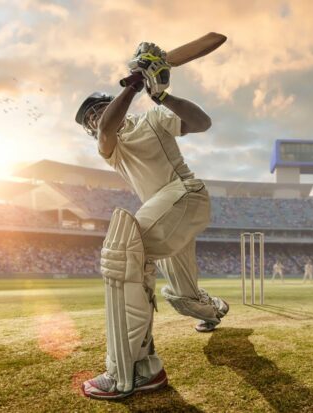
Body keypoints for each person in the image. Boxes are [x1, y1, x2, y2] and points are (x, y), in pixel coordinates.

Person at [77, 42, 228, 400]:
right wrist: (133, 84)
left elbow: (202, 122)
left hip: (185, 195)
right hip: (167, 214)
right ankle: (213, 310)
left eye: (98, 111)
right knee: (181, 295)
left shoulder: (153, 119)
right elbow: (107, 128)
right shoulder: (110, 147)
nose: (97, 120)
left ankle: (133, 372)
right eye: (91, 122)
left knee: (123, 249)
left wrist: (161, 95)